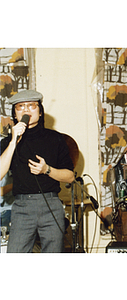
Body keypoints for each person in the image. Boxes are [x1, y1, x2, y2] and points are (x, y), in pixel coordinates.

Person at [0, 90, 75, 253]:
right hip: (22, 206)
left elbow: (70, 176)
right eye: (20, 107)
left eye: (31, 106)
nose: (26, 110)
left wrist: (46, 170)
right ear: (15, 114)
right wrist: (13, 141)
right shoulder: (8, 142)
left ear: (40, 112)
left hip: (51, 204)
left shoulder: (55, 138)